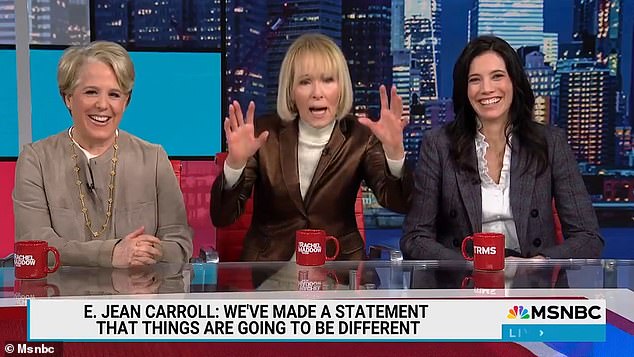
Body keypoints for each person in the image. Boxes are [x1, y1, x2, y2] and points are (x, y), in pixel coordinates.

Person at [211, 33, 412, 261]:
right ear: (291, 90)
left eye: (328, 80)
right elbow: (222, 217)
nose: (317, 93)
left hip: (339, 271)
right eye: (305, 82)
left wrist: (395, 152)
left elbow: (399, 203)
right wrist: (235, 164)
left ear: (341, 87)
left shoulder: (360, 136)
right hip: (271, 274)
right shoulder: (263, 135)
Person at [401, 35, 604, 260]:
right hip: (463, 282)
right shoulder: (438, 144)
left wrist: (539, 263)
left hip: (534, 284)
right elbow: (415, 238)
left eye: (497, 76)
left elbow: (588, 237)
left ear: (514, 82)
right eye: (475, 80)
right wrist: (469, 265)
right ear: (464, 89)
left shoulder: (551, 142)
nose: (486, 89)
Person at [13, 41, 193, 267]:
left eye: (114, 94)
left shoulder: (153, 159)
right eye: (91, 92)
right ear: (68, 97)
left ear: (126, 101)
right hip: (61, 298)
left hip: (137, 298)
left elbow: (180, 244)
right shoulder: (36, 160)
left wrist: (149, 252)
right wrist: (111, 254)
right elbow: (34, 247)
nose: (102, 105)